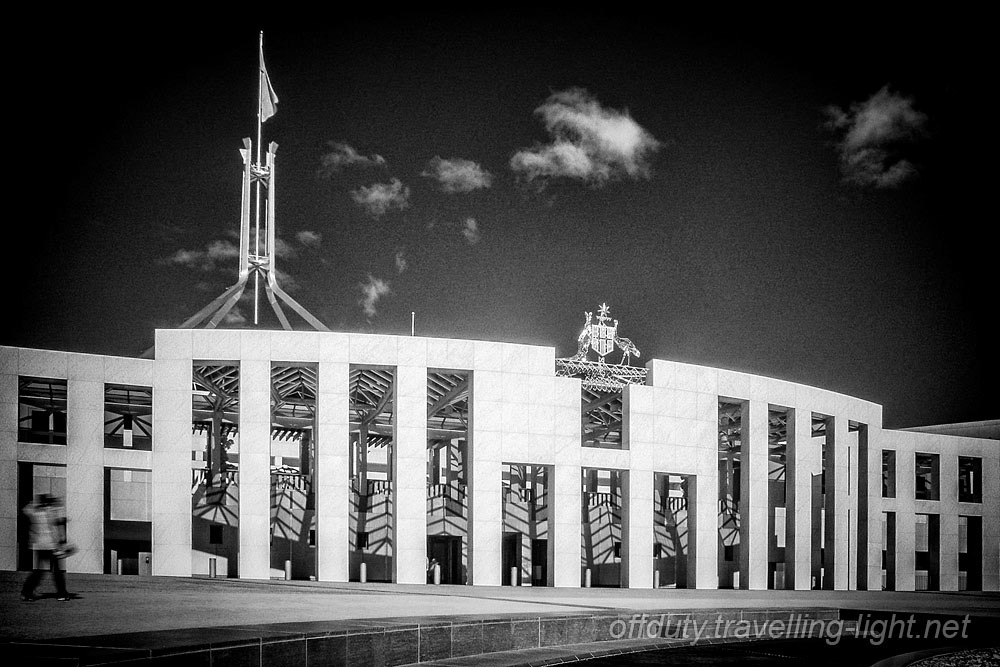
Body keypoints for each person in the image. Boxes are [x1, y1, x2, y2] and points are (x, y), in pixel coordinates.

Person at [20, 494, 71, 602]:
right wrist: (56, 505)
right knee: (57, 571)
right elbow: (60, 522)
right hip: (51, 545)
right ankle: (61, 593)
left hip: (39, 545)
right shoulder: (52, 511)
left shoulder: (35, 512)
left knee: (38, 571)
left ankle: (26, 592)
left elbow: (25, 509)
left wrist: (36, 504)